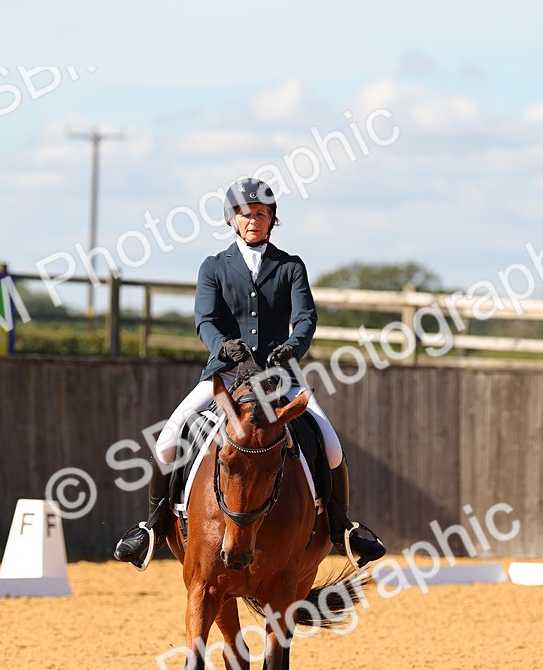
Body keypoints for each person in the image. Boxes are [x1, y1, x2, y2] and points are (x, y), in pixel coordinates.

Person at [114, 177, 385, 571]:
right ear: (232, 220)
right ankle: (152, 528)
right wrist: (224, 346)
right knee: (169, 439)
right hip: (225, 377)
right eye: (246, 214)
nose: (253, 220)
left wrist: (292, 347)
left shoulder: (290, 266)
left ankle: (344, 528)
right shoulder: (214, 267)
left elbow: (306, 318)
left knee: (329, 443)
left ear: (272, 220)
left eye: (261, 214)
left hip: (280, 377)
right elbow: (205, 320)